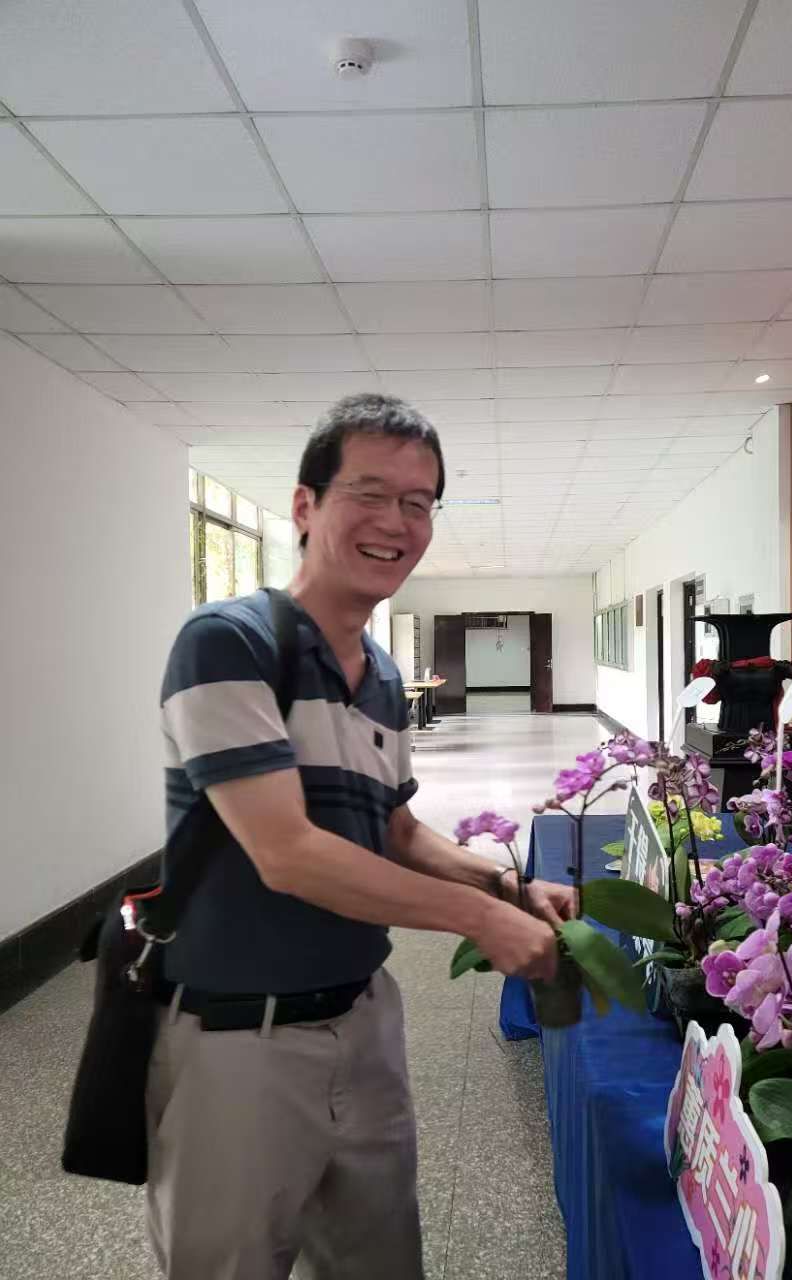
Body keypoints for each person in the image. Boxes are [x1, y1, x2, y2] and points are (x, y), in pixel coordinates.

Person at [148, 393, 574, 1280]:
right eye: (369, 494)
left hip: (365, 1020)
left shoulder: (379, 674)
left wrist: (504, 885)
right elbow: (287, 852)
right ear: (305, 507)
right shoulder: (226, 643)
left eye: (418, 502)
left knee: (379, 1260)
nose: (395, 522)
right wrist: (478, 921)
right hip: (241, 1041)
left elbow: (396, 829)